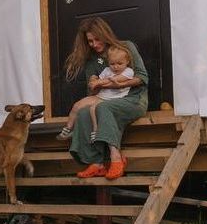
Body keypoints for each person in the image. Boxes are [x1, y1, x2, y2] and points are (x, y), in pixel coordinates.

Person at [61, 19, 150, 180]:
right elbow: (93, 91)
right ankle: (97, 163)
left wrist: (113, 84)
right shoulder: (91, 60)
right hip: (105, 99)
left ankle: (116, 159)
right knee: (83, 113)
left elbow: (142, 77)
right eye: (90, 41)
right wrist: (94, 83)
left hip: (134, 99)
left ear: (105, 35)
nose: (94, 44)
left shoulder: (126, 47)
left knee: (104, 108)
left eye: (97, 39)